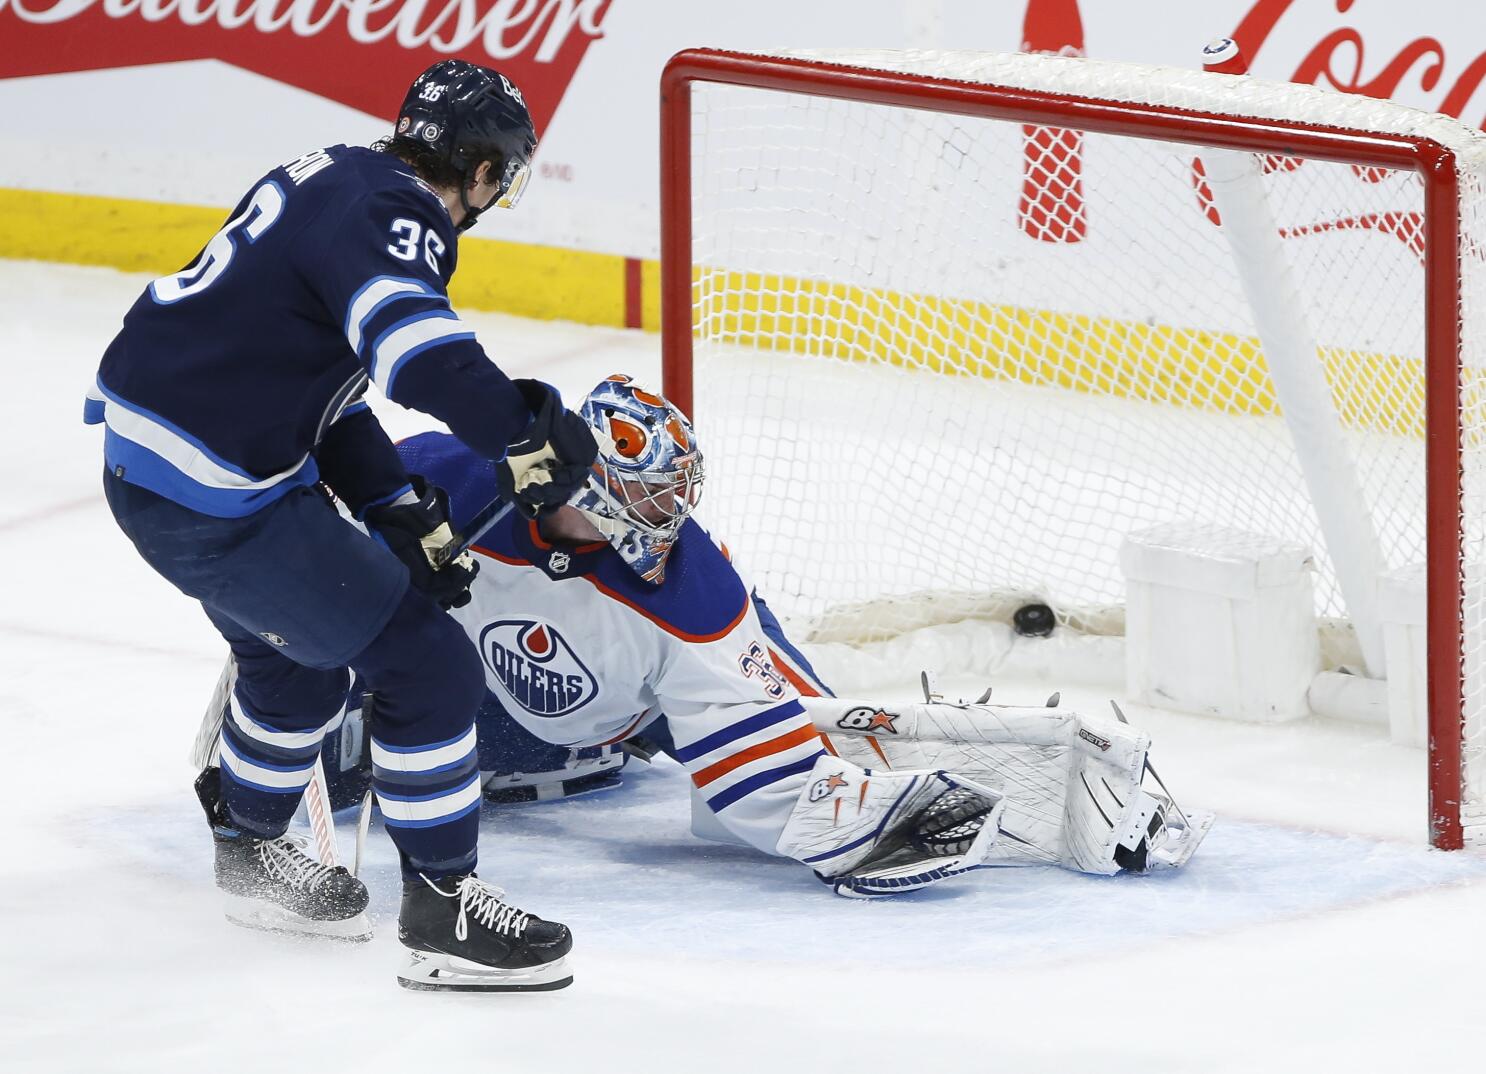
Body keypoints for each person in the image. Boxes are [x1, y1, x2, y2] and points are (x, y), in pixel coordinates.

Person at [88, 60, 595, 992]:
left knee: (294, 662)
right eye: (502, 180)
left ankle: (248, 850)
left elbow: (323, 381)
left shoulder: (331, 170)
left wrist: (392, 502)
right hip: (215, 496)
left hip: (161, 468)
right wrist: (523, 437)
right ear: (484, 171)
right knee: (429, 665)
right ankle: (443, 911)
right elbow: (418, 358)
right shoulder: (399, 216)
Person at [311, 376, 1210, 895]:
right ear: (587, 488)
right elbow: (298, 516)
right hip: (500, 700)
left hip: (642, 700)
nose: (670, 513)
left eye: (675, 494)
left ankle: (1068, 798)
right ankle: (532, 759)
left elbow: (768, 781)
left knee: (824, 733)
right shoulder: (451, 480)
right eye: (653, 495)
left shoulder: (690, 591)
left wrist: (841, 818)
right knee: (352, 735)